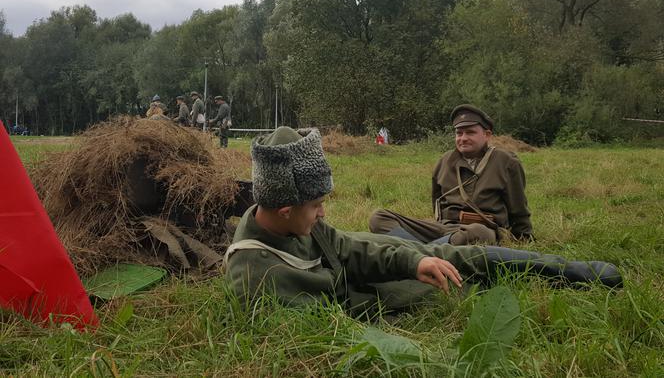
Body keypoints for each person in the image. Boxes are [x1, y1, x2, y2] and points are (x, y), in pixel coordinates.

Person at [224, 126, 621, 315]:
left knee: (454, 257)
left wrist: (413, 262)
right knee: (458, 273)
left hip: (370, 270)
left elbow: (351, 249)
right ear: (284, 210)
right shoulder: (258, 277)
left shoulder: (296, 219)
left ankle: (573, 271)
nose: (324, 213)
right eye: (317, 206)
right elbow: (329, 326)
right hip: (364, 298)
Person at [369, 105, 534, 246]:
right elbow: (437, 202)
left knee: (477, 233)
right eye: (459, 133)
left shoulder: (506, 162)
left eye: (470, 132)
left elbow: (518, 208)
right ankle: (432, 250)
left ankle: (418, 251)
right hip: (444, 228)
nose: (463, 138)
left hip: (483, 230)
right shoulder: (445, 161)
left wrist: (524, 238)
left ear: (487, 135)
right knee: (379, 218)